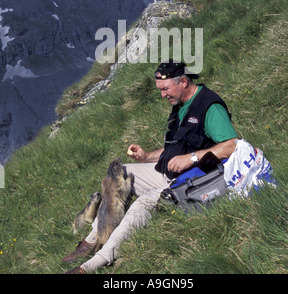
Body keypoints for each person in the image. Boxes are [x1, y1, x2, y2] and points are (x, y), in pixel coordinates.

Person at [63, 59, 238, 274]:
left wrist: (191, 158)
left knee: (143, 204)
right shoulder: (181, 104)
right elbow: (176, 149)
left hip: (192, 182)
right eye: (160, 90)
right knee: (119, 173)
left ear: (183, 81)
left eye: (165, 89)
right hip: (171, 173)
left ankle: (94, 263)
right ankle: (93, 239)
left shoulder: (209, 107)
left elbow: (231, 145)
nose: (163, 95)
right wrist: (147, 156)